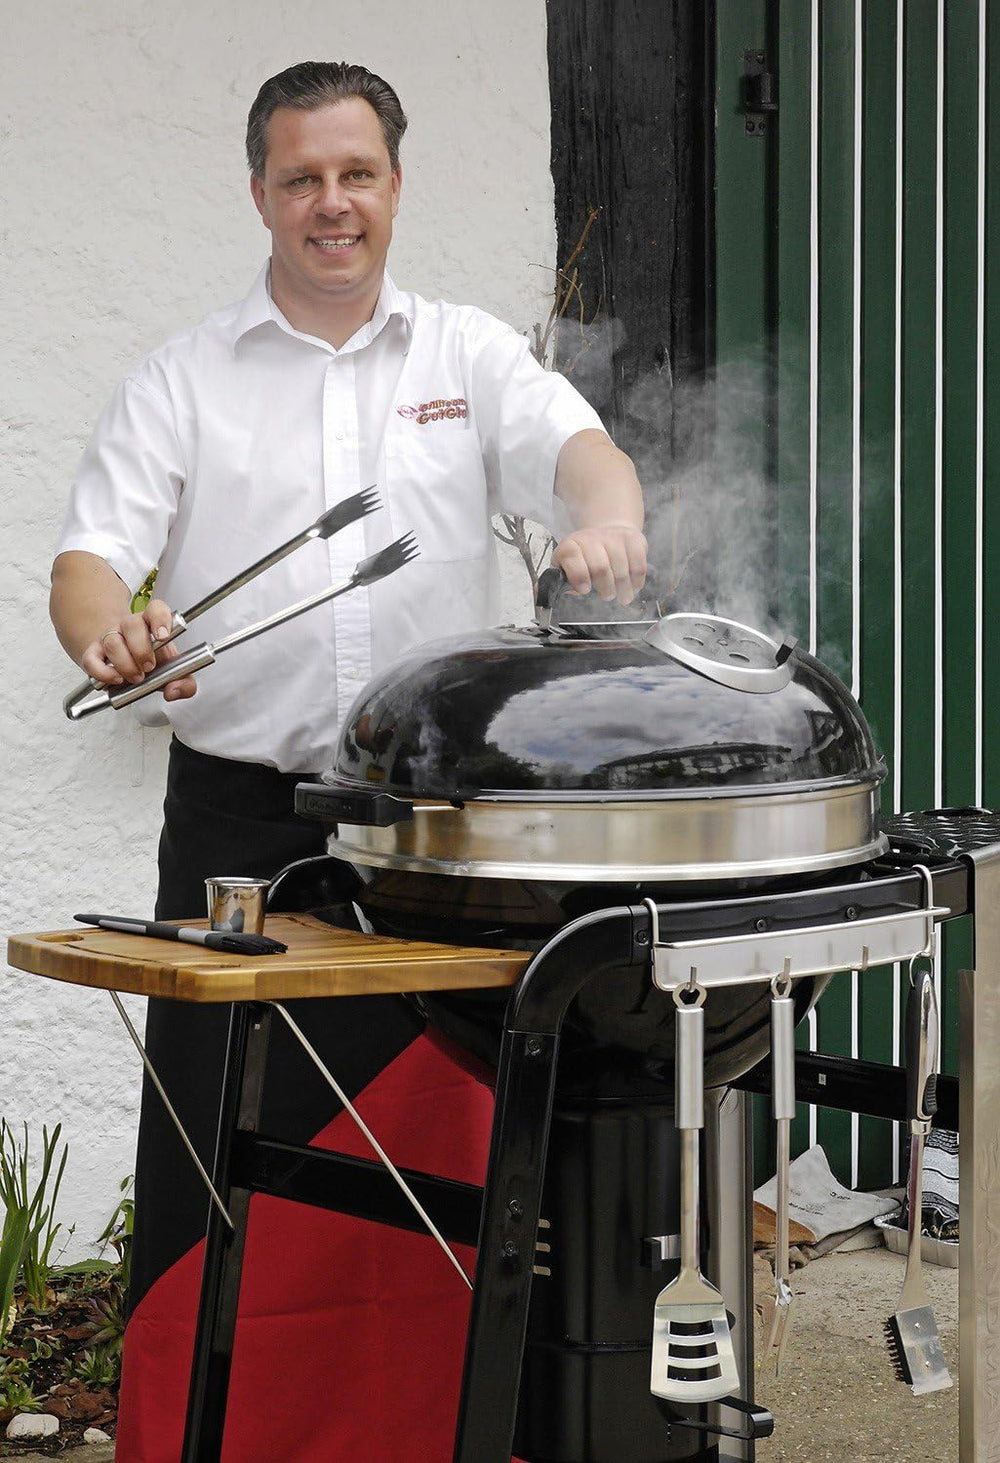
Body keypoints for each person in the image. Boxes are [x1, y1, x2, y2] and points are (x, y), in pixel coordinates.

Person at [49, 62, 646, 1463]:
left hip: (433, 842)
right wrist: (111, 634)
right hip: (240, 839)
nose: (333, 204)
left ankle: (448, 1436)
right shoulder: (182, 378)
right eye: (303, 178)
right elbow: (90, 562)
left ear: (395, 185)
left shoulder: (467, 355)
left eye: (356, 175)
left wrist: (608, 522)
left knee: (452, 1165)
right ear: (260, 193)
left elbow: (585, 456)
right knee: (221, 1161)